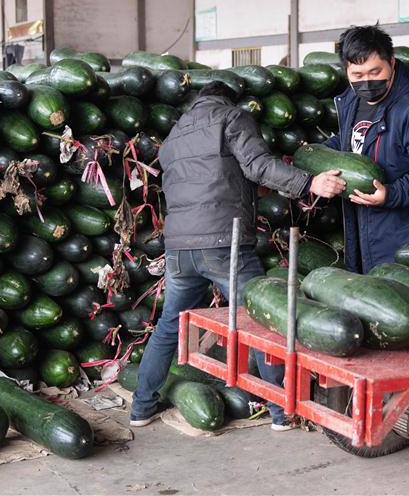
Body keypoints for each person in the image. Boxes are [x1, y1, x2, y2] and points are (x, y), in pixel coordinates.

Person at [130, 80, 345, 431]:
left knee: (170, 325)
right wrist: (309, 184)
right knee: (260, 322)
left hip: (179, 248)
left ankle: (141, 409)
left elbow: (201, 181)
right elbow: (258, 165)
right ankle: (281, 413)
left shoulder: (174, 136)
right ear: (228, 99)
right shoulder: (231, 118)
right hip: (222, 245)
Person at [323, 25, 409, 272]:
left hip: (408, 234)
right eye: (358, 74)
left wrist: (392, 194)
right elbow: (351, 140)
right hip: (366, 228)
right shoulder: (352, 100)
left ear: (392, 63)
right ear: (347, 71)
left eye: (375, 71)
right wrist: (318, 154)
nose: (367, 81)